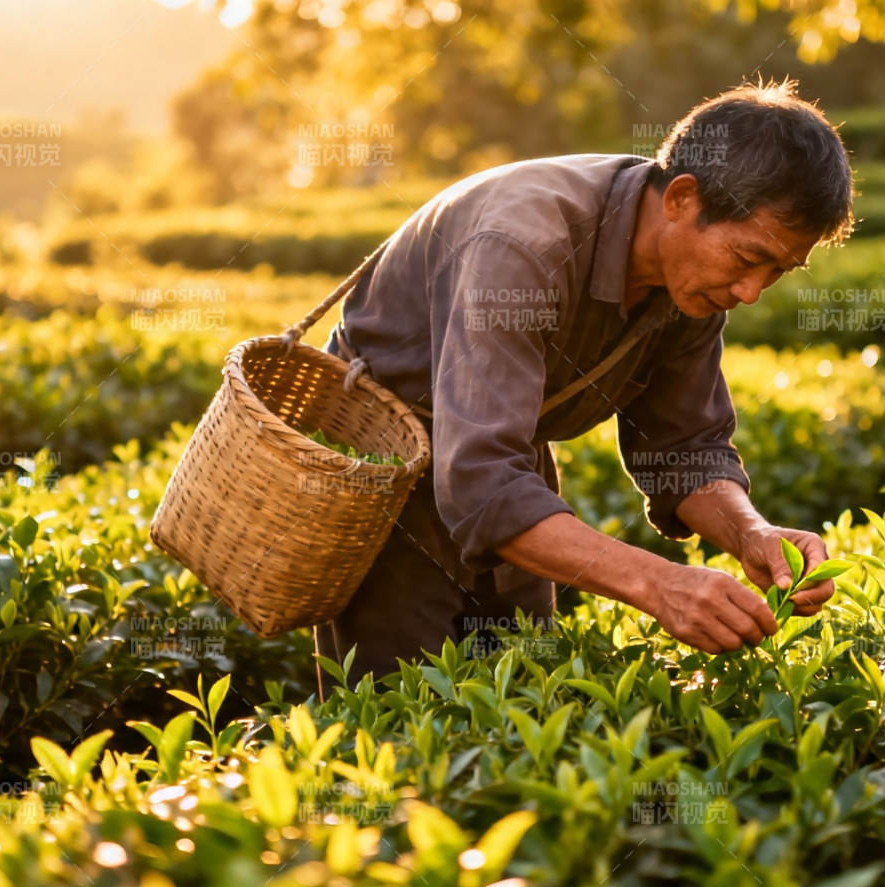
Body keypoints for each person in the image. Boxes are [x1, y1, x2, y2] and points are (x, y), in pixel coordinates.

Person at [313, 79, 855, 698]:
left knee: (517, 711)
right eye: (746, 258)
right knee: (399, 732)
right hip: (391, 480)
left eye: (777, 272)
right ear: (681, 198)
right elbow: (480, 479)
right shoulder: (523, 245)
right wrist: (661, 585)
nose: (751, 292)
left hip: (514, 489)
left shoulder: (692, 287)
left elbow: (685, 449)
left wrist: (751, 533)